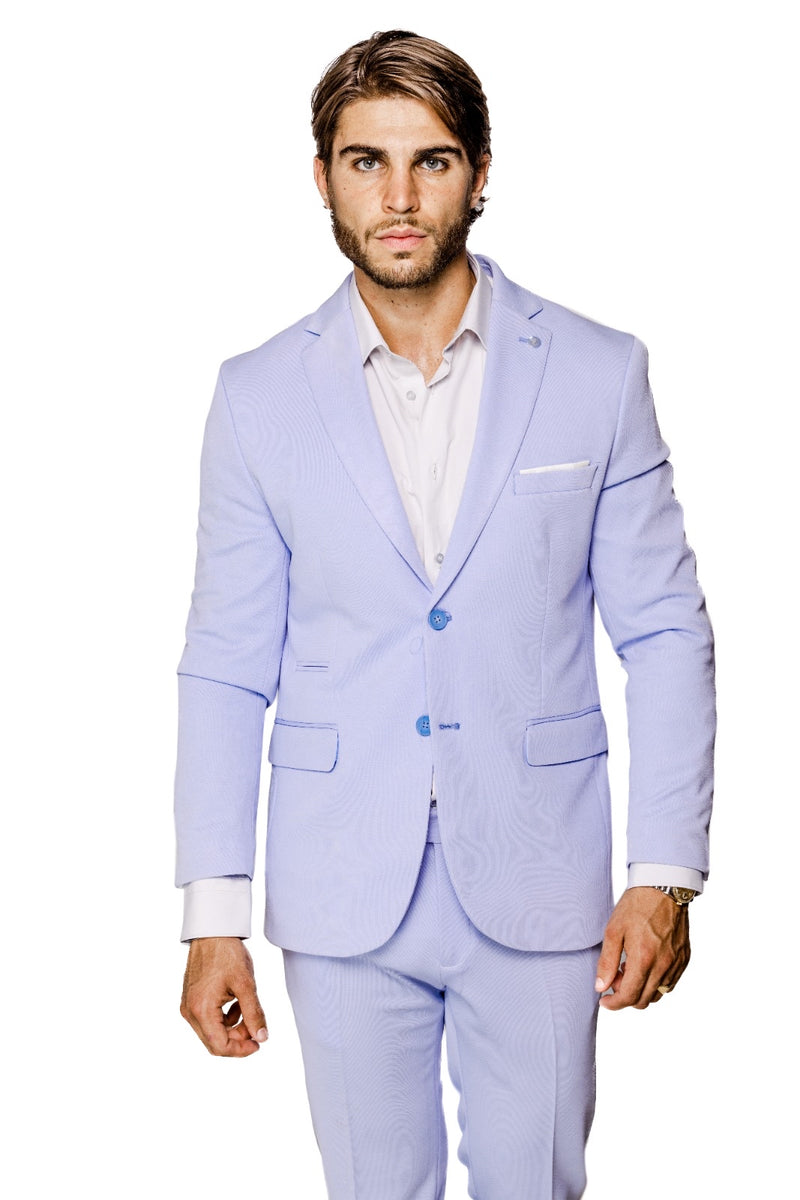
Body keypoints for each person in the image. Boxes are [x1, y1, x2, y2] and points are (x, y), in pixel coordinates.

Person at [175, 29, 715, 1200]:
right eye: (365, 161)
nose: (399, 197)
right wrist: (212, 911)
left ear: (478, 173)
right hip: (337, 882)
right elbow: (225, 662)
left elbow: (664, 631)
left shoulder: (595, 370)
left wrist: (663, 873)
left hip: (539, 872)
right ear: (321, 177)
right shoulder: (257, 395)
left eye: (430, 160)